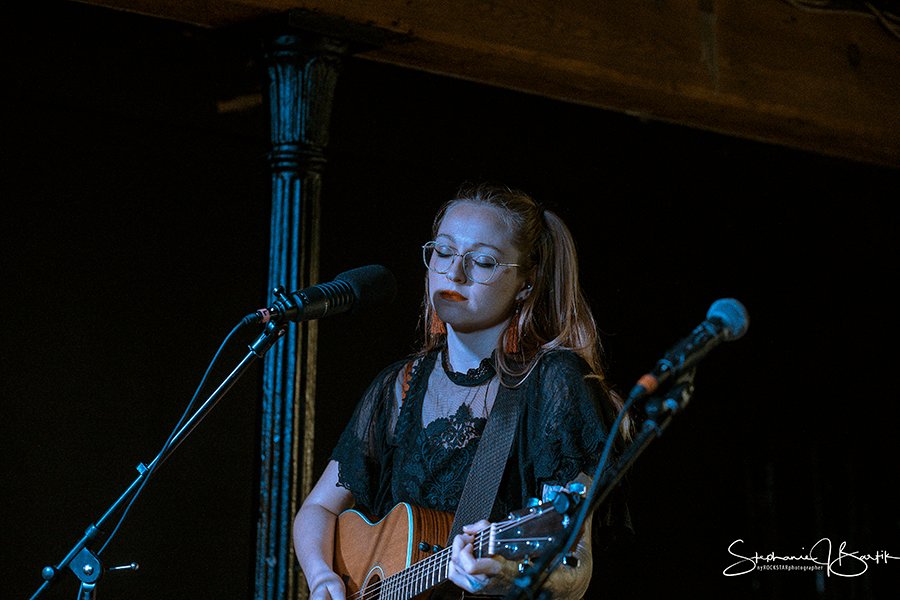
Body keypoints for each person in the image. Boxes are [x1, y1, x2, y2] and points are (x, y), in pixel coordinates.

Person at [292, 183, 631, 600]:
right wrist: (322, 578)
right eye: (443, 252)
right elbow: (318, 508)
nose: (454, 273)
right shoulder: (398, 385)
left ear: (526, 283)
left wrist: (507, 576)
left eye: (483, 261)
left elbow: (575, 566)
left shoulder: (553, 382)